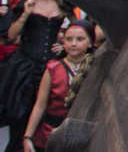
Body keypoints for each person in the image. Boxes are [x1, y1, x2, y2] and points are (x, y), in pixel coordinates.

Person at [0, 0, 72, 152]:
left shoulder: (64, 4)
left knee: (45, 120)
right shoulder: (28, 1)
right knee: (20, 117)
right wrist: (25, 14)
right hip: (25, 67)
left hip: (50, 66)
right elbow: (10, 35)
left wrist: (64, 44)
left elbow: (78, 31)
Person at [20, 19, 93, 151]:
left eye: (80, 39)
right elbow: (40, 105)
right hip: (51, 134)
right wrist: (27, 137)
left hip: (82, 135)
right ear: (63, 41)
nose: (73, 44)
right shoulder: (53, 68)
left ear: (90, 43)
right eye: (69, 39)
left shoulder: (95, 67)